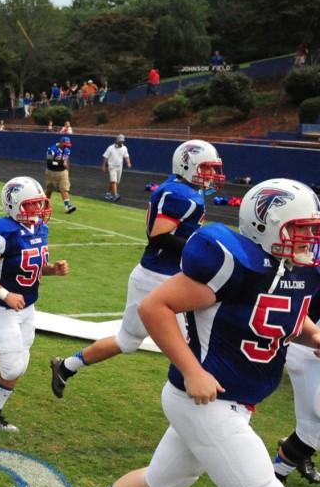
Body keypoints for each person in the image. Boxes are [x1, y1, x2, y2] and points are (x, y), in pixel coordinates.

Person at [63, 178, 320, 487]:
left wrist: (314, 336)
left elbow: (275, 319)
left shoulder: (295, 271)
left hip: (233, 400)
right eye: (299, 229)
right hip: (205, 398)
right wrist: (194, 368)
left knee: (167, 479)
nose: (309, 239)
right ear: (266, 225)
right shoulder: (235, 262)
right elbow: (155, 308)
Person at [50, 140, 223, 399]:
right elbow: (159, 237)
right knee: (188, 348)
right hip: (161, 279)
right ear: (187, 165)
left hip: (156, 274)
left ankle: (66, 366)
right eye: (206, 168)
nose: (211, 175)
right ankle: (196, 403)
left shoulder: (185, 190)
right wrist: (202, 246)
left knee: (127, 341)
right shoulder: (179, 194)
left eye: (212, 169)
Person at [0, 177, 69, 431]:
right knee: (11, 367)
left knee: (19, 364)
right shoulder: (0, 230)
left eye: (40, 204)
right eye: (31, 205)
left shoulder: (39, 229)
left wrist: (52, 270)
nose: (38, 210)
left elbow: (31, 267)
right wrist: (5, 295)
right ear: (14, 205)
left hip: (27, 306)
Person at [274, 295, 320, 487]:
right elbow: (302, 313)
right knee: (312, 427)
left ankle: (295, 456)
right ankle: (275, 481)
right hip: (309, 352)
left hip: (310, 350)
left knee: (312, 429)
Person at [45, 136, 76, 214]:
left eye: (67, 145)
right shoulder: (52, 149)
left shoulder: (67, 150)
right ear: (61, 142)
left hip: (63, 172)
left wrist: (67, 168)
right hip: (51, 172)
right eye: (65, 144)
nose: (66, 146)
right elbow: (49, 162)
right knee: (49, 189)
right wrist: (61, 163)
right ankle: (46, 205)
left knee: (64, 189)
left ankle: (68, 206)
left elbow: (67, 160)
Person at [101, 134, 132, 202]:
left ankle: (108, 193)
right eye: (120, 141)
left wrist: (128, 163)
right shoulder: (110, 148)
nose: (121, 142)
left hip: (119, 167)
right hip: (111, 166)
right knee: (113, 181)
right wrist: (104, 166)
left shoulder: (124, 148)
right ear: (117, 140)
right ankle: (115, 195)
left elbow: (126, 156)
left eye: (122, 141)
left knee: (115, 182)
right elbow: (106, 157)